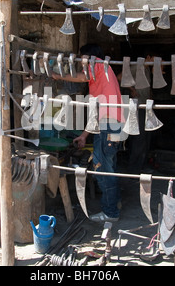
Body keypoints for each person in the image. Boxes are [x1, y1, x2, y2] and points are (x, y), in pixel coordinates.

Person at [51, 44, 125, 222]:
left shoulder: (98, 64)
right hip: (111, 124)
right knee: (109, 166)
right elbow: (96, 113)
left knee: (102, 168)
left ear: (90, 57)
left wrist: (57, 75)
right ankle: (115, 202)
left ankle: (110, 213)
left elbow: (81, 77)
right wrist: (84, 135)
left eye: (81, 57)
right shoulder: (100, 78)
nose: (80, 62)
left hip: (109, 124)